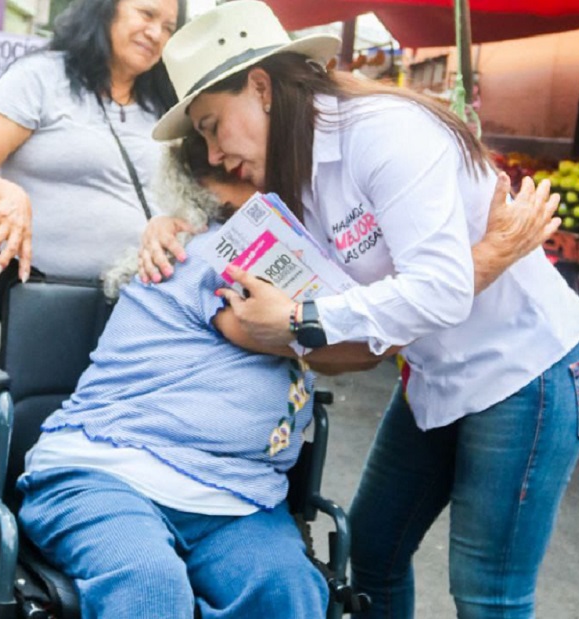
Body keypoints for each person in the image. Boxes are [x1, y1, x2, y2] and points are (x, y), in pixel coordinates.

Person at [144, 2, 579, 618]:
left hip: (526, 370)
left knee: (487, 590)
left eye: (211, 125)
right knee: (372, 551)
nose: (215, 153)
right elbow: (339, 345)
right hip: (434, 376)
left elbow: (434, 290)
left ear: (261, 87)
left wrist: (302, 321)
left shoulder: (384, 132)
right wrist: (169, 227)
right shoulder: (291, 181)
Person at [17, 135, 348, 619]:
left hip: (235, 494)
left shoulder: (274, 261)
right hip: (108, 473)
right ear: (205, 191)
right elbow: (337, 345)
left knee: (289, 589)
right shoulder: (211, 255)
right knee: (148, 585)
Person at [0, 0, 186, 282]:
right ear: (104, 9)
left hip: (147, 297)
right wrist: (8, 194)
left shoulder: (165, 102)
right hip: (52, 298)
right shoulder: (40, 77)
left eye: (168, 28)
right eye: (146, 14)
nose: (156, 34)